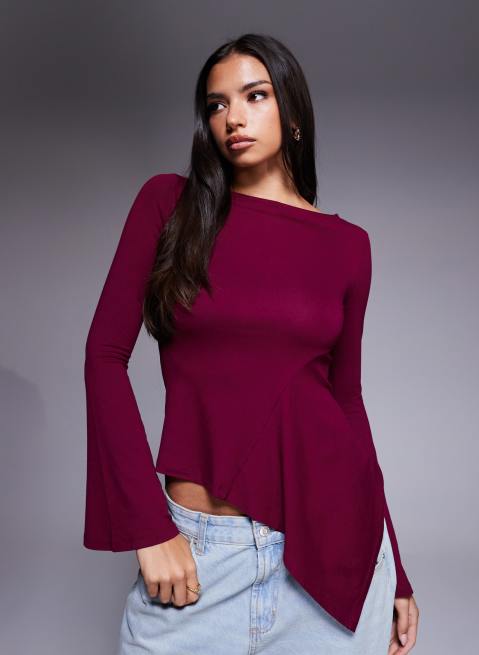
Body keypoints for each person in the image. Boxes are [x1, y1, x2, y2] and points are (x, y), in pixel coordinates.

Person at [83, 33, 419, 654]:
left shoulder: (349, 246)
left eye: (254, 96)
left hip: (333, 550)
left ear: (293, 114)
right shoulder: (169, 205)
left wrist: (395, 568)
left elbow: (347, 402)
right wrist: (146, 527)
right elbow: (104, 358)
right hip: (201, 558)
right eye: (216, 105)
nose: (232, 118)